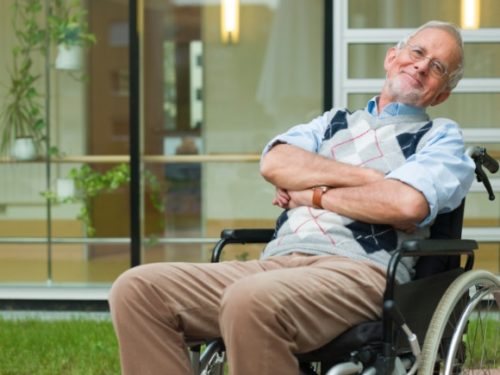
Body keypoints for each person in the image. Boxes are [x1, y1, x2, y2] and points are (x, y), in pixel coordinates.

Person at [109, 20, 475, 375]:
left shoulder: (440, 139)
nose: (422, 66)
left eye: (438, 67)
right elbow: (276, 162)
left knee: (250, 299)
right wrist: (368, 179)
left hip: (359, 273)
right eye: (417, 52)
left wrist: (312, 195)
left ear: (442, 93)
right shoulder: (330, 123)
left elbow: (405, 204)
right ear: (391, 57)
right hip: (276, 263)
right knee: (138, 290)